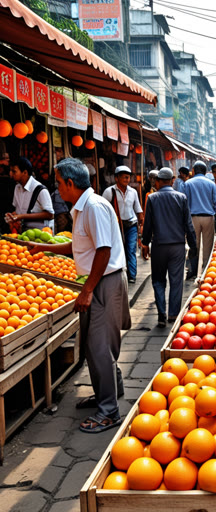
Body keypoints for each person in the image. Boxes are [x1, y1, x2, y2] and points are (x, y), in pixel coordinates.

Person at [31, 158, 130, 433]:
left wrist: (87, 291)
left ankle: (109, 412)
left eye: (59, 183)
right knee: (93, 345)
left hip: (104, 283)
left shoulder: (94, 207)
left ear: (71, 184)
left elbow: (103, 250)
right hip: (96, 281)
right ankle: (109, 392)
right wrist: (44, 248)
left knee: (99, 348)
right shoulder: (81, 208)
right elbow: (81, 246)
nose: (57, 188)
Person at [142, 168, 197, 327]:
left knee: (158, 280)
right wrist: (193, 246)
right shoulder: (181, 197)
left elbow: (148, 224)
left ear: (158, 181)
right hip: (177, 247)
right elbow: (188, 224)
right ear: (172, 181)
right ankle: (173, 314)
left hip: (159, 246)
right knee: (176, 280)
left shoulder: (152, 198)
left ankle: (161, 314)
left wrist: (145, 243)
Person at [102, 166, 144, 284]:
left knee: (130, 249)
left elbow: (138, 209)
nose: (126, 178)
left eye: (128, 176)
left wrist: (142, 225)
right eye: (123, 176)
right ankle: (117, 273)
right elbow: (102, 209)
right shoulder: (109, 192)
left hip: (131, 224)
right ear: (116, 178)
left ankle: (132, 275)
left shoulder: (133, 192)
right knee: (117, 250)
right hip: (115, 225)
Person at [183, 161, 216, 280]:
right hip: (208, 217)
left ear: (193, 171)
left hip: (193, 218)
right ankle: (206, 271)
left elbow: (184, 202)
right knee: (208, 246)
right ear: (205, 172)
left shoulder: (187, 183)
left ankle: (192, 271)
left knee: (194, 245)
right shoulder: (211, 184)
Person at [6, 157, 54, 233]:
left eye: (14, 171)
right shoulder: (17, 187)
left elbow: (50, 215)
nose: (10, 174)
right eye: (10, 171)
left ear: (25, 172)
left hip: (41, 233)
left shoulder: (40, 189)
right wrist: (12, 216)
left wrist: (21, 216)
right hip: (24, 232)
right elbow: (18, 210)